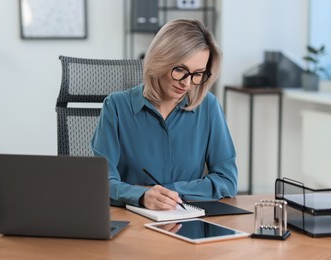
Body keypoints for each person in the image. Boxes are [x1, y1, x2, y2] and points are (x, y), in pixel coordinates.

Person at [91, 19, 238, 210]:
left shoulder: (208, 107)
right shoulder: (116, 106)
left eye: (198, 74)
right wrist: (142, 196)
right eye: (180, 70)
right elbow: (102, 182)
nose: (187, 83)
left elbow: (227, 181)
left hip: (187, 220)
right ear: (160, 60)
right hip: (132, 220)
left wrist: (166, 192)